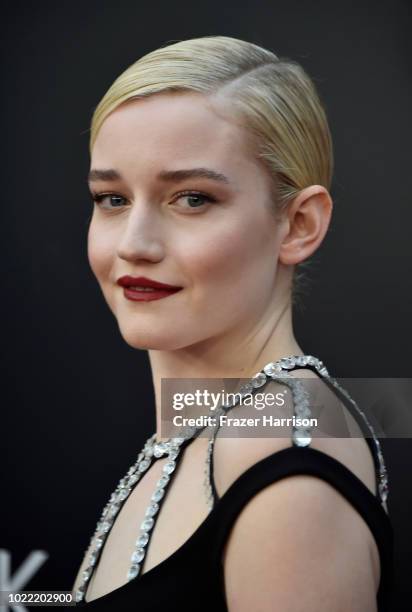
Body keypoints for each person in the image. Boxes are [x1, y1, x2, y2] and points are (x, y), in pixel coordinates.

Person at [72, 35, 393, 611]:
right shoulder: (211, 424)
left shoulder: (284, 461)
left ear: (298, 224)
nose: (135, 245)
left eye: (192, 199)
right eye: (112, 199)